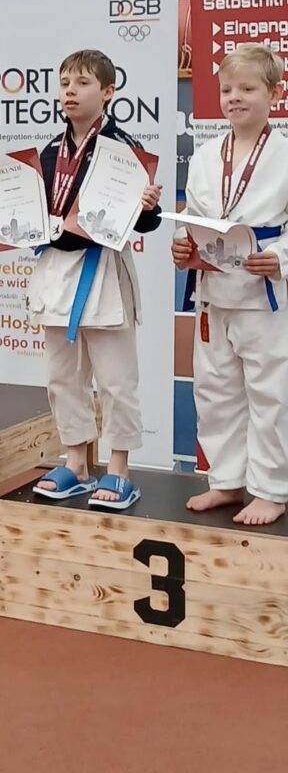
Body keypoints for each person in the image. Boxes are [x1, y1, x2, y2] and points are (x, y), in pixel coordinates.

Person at [0, 49, 162, 509]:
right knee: (63, 377)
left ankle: (119, 469)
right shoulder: (49, 151)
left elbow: (143, 223)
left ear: (108, 91)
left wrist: (148, 207)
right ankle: (76, 462)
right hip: (56, 272)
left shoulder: (124, 150)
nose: (70, 92)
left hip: (103, 271)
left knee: (116, 379)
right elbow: (33, 216)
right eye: (65, 84)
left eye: (82, 83)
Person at [173, 43, 288, 526]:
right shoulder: (204, 155)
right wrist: (183, 246)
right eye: (226, 90)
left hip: (264, 294)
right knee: (215, 388)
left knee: (270, 393)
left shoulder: (284, 153)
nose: (234, 98)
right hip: (214, 289)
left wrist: (280, 257)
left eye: (247, 88)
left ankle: (271, 489)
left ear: (275, 94)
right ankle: (226, 480)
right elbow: (194, 219)